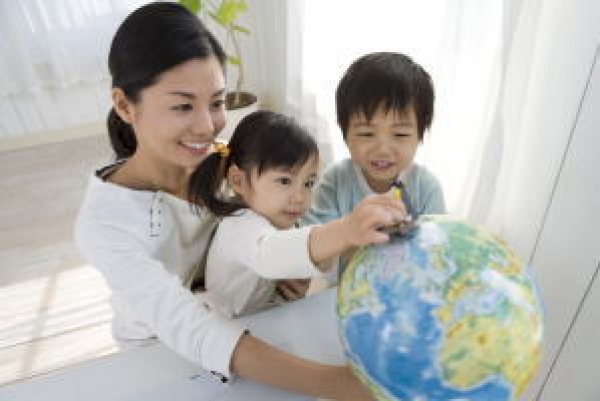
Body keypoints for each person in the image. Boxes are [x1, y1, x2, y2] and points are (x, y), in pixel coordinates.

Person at [74, 3, 402, 398]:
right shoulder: (103, 225)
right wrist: (337, 384)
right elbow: (189, 325)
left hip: (240, 326)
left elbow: (268, 230)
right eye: (182, 106)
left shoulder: (224, 159)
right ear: (125, 105)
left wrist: (282, 272)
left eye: (216, 103)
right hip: (158, 353)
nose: (206, 126)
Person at [188, 110, 399, 318]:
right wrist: (346, 230)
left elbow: (292, 263)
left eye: (308, 184)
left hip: (255, 322)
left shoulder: (278, 221)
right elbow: (270, 254)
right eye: (285, 181)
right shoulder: (238, 225)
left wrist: (287, 290)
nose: (300, 197)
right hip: (215, 324)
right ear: (238, 181)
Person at [302, 52, 447, 283]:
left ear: (420, 134)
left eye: (400, 134)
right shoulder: (335, 181)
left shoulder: (426, 187)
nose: (383, 149)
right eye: (367, 134)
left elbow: (437, 254)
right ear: (345, 133)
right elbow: (316, 252)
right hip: (349, 292)